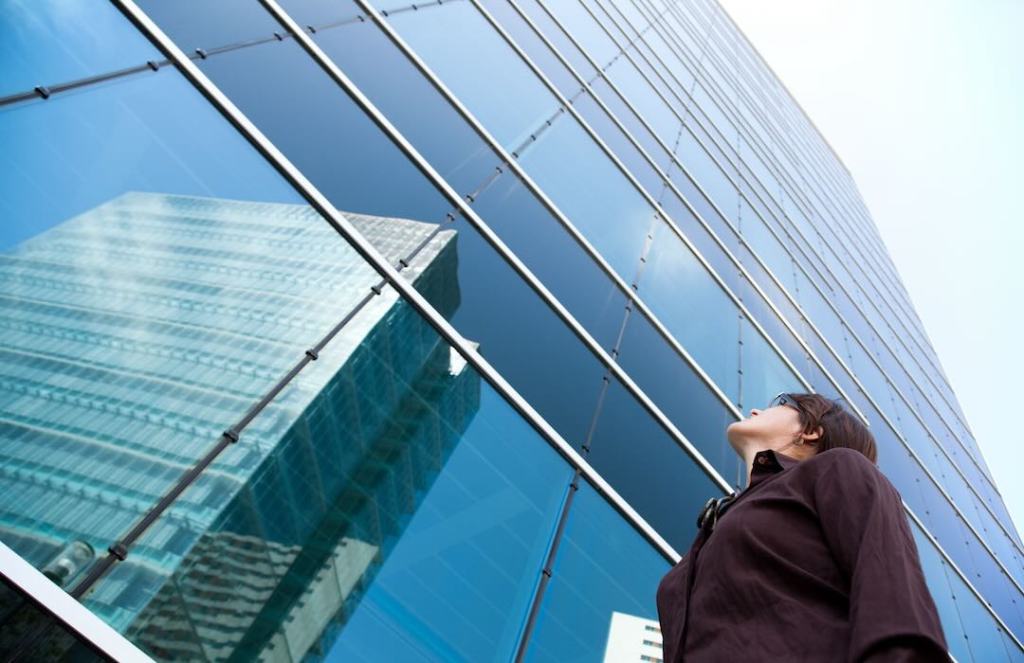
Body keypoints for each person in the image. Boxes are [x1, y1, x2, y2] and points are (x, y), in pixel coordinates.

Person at [656, 392, 950, 662]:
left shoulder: (840, 468)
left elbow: (894, 602)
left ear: (810, 431)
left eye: (782, 403)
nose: (757, 409)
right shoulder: (712, 530)